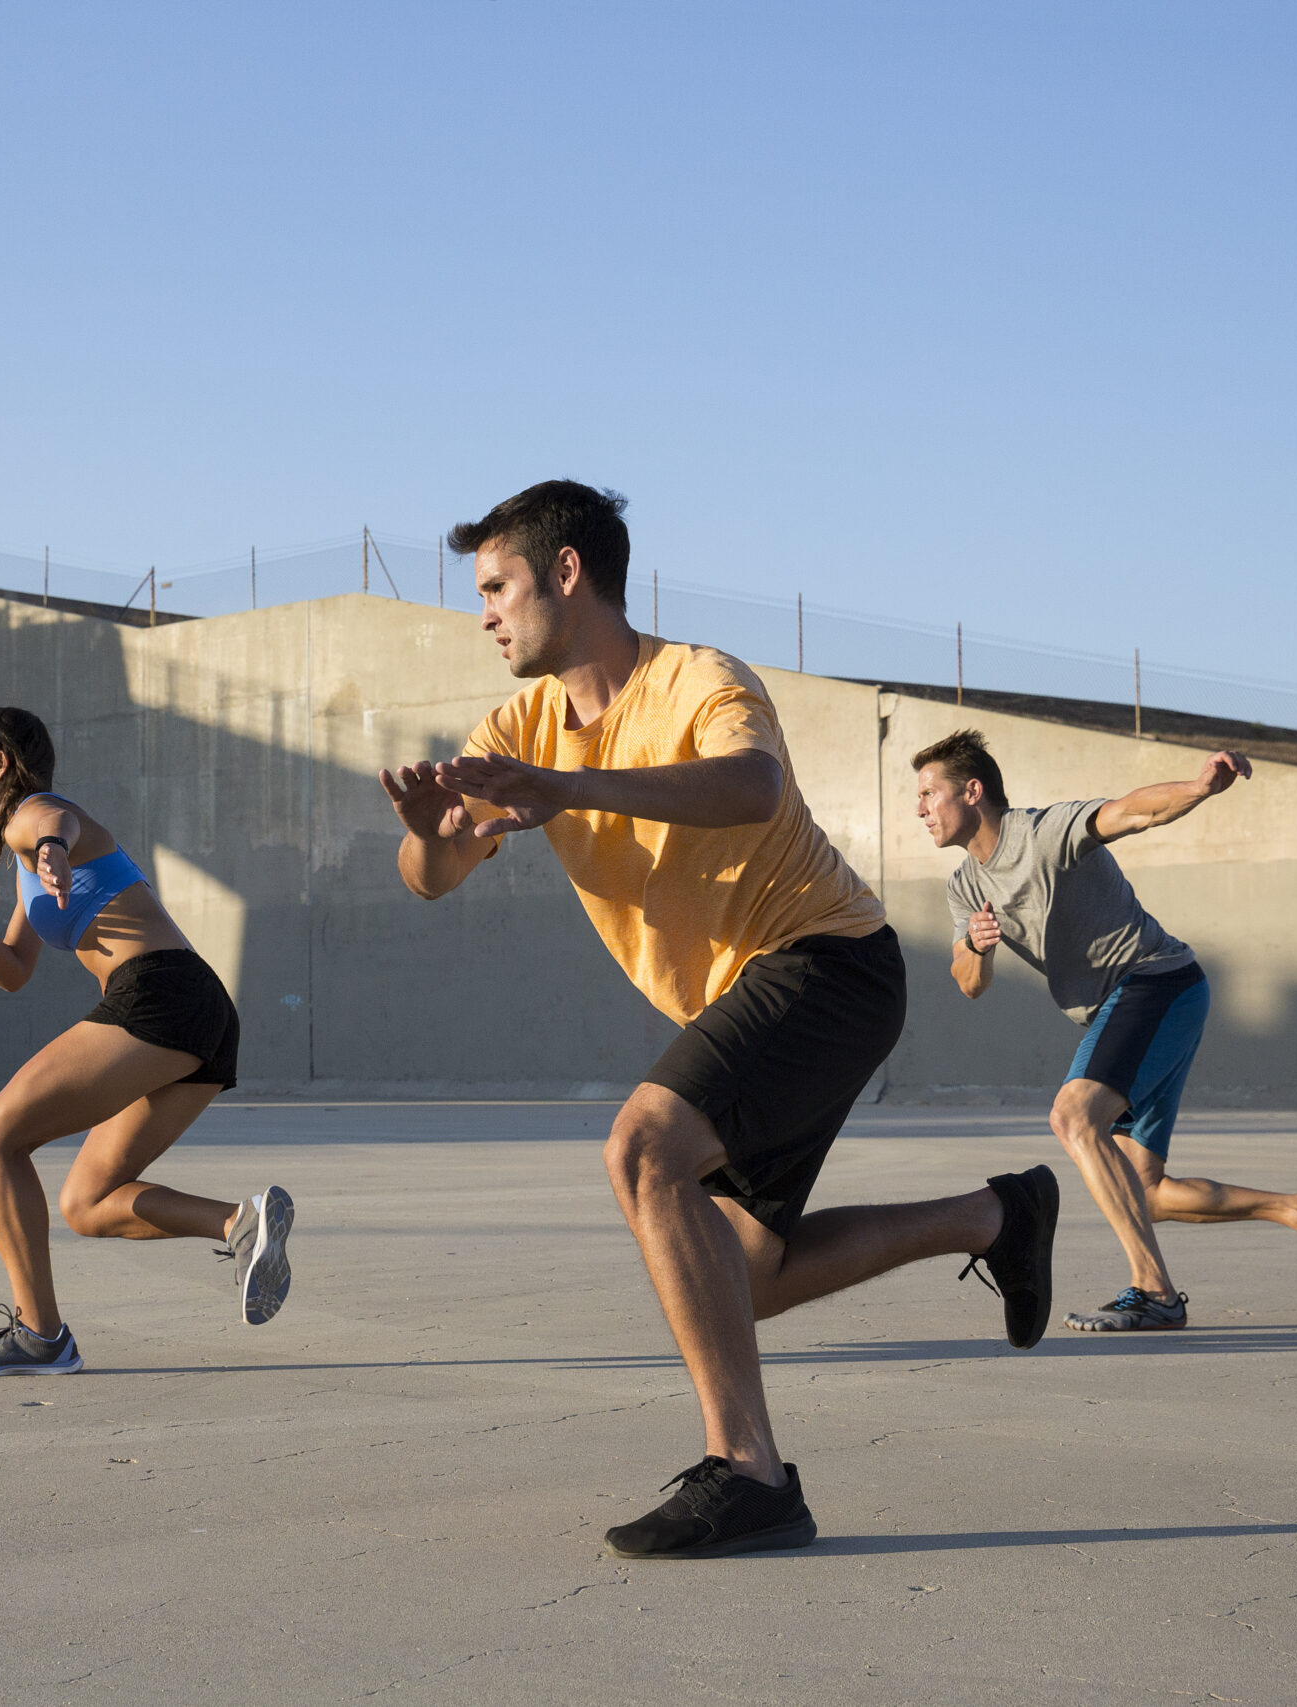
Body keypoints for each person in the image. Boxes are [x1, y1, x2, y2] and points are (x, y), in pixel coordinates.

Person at [381, 481, 1059, 1561]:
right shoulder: (520, 724)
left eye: (498, 585)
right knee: (733, 1278)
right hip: (759, 995)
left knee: (644, 1151)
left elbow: (750, 787)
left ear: (567, 573)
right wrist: (426, 831)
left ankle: (751, 1474)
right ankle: (995, 1218)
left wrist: (571, 787)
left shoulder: (697, 677)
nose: (485, 613)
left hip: (824, 961)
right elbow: (435, 874)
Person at [914, 728, 1297, 1332]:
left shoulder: (1041, 833)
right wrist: (974, 942)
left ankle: (1155, 1292)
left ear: (972, 792)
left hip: (1156, 982)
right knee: (1145, 1192)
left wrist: (1201, 788)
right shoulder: (965, 886)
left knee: (1074, 1116)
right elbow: (969, 982)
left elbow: (1129, 811)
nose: (920, 809)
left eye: (928, 793)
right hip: (1126, 1006)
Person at [0, 705, 292, 1375]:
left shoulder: (33, 817)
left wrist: (52, 849)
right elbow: (14, 972)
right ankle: (241, 1225)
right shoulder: (22, 860)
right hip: (198, 1010)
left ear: (0, 764)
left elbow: (56, 821)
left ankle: (41, 1337)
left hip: (157, 994)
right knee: (87, 1202)